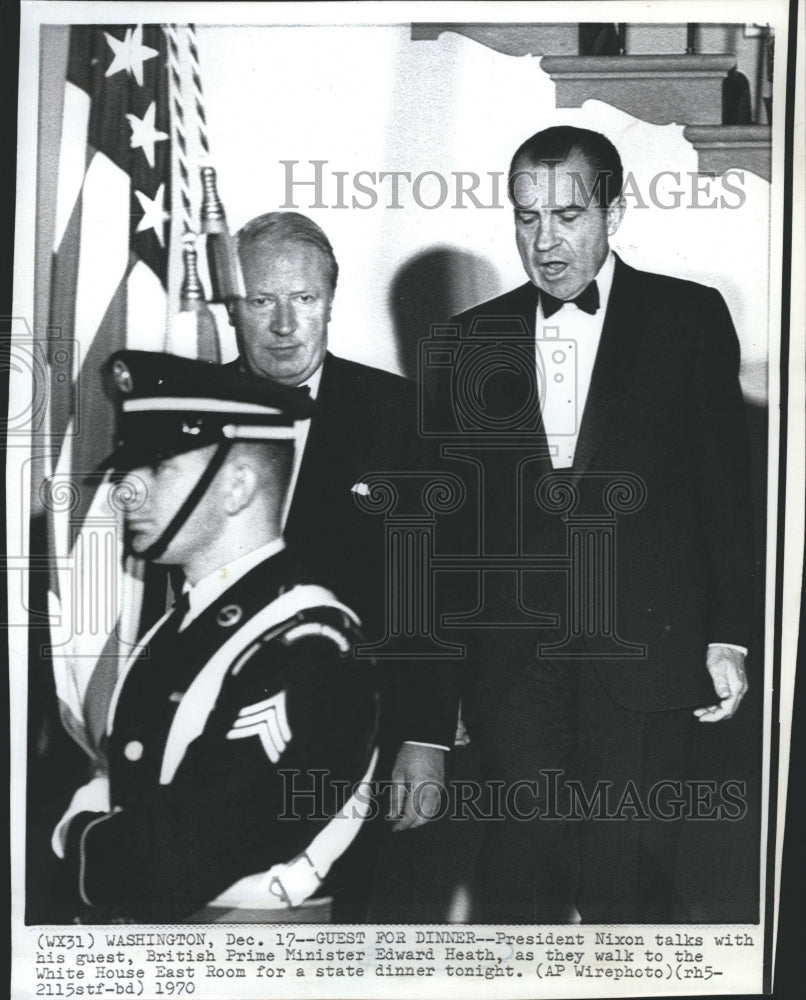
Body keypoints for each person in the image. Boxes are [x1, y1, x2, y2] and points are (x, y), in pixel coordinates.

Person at [440, 126, 754, 923]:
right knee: (520, 887)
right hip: (516, 668)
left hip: (645, 655)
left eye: (568, 216)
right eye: (525, 218)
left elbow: (726, 487)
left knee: (629, 890)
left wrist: (729, 633)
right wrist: (444, 679)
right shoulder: (470, 340)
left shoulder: (688, 318)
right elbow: (457, 532)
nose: (544, 243)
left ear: (613, 209)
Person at [52, 351, 379, 922]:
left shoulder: (310, 640)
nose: (126, 490)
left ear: (237, 488)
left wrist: (77, 834)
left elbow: (184, 854)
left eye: (157, 466)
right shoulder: (188, 621)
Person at [227, 213, 459, 834]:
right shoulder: (185, 413)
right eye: (261, 300)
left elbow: (432, 589)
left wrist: (426, 736)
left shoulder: (399, 417)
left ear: (330, 302)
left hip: (350, 739)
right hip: (205, 731)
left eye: (303, 299)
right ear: (231, 306)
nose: (283, 325)